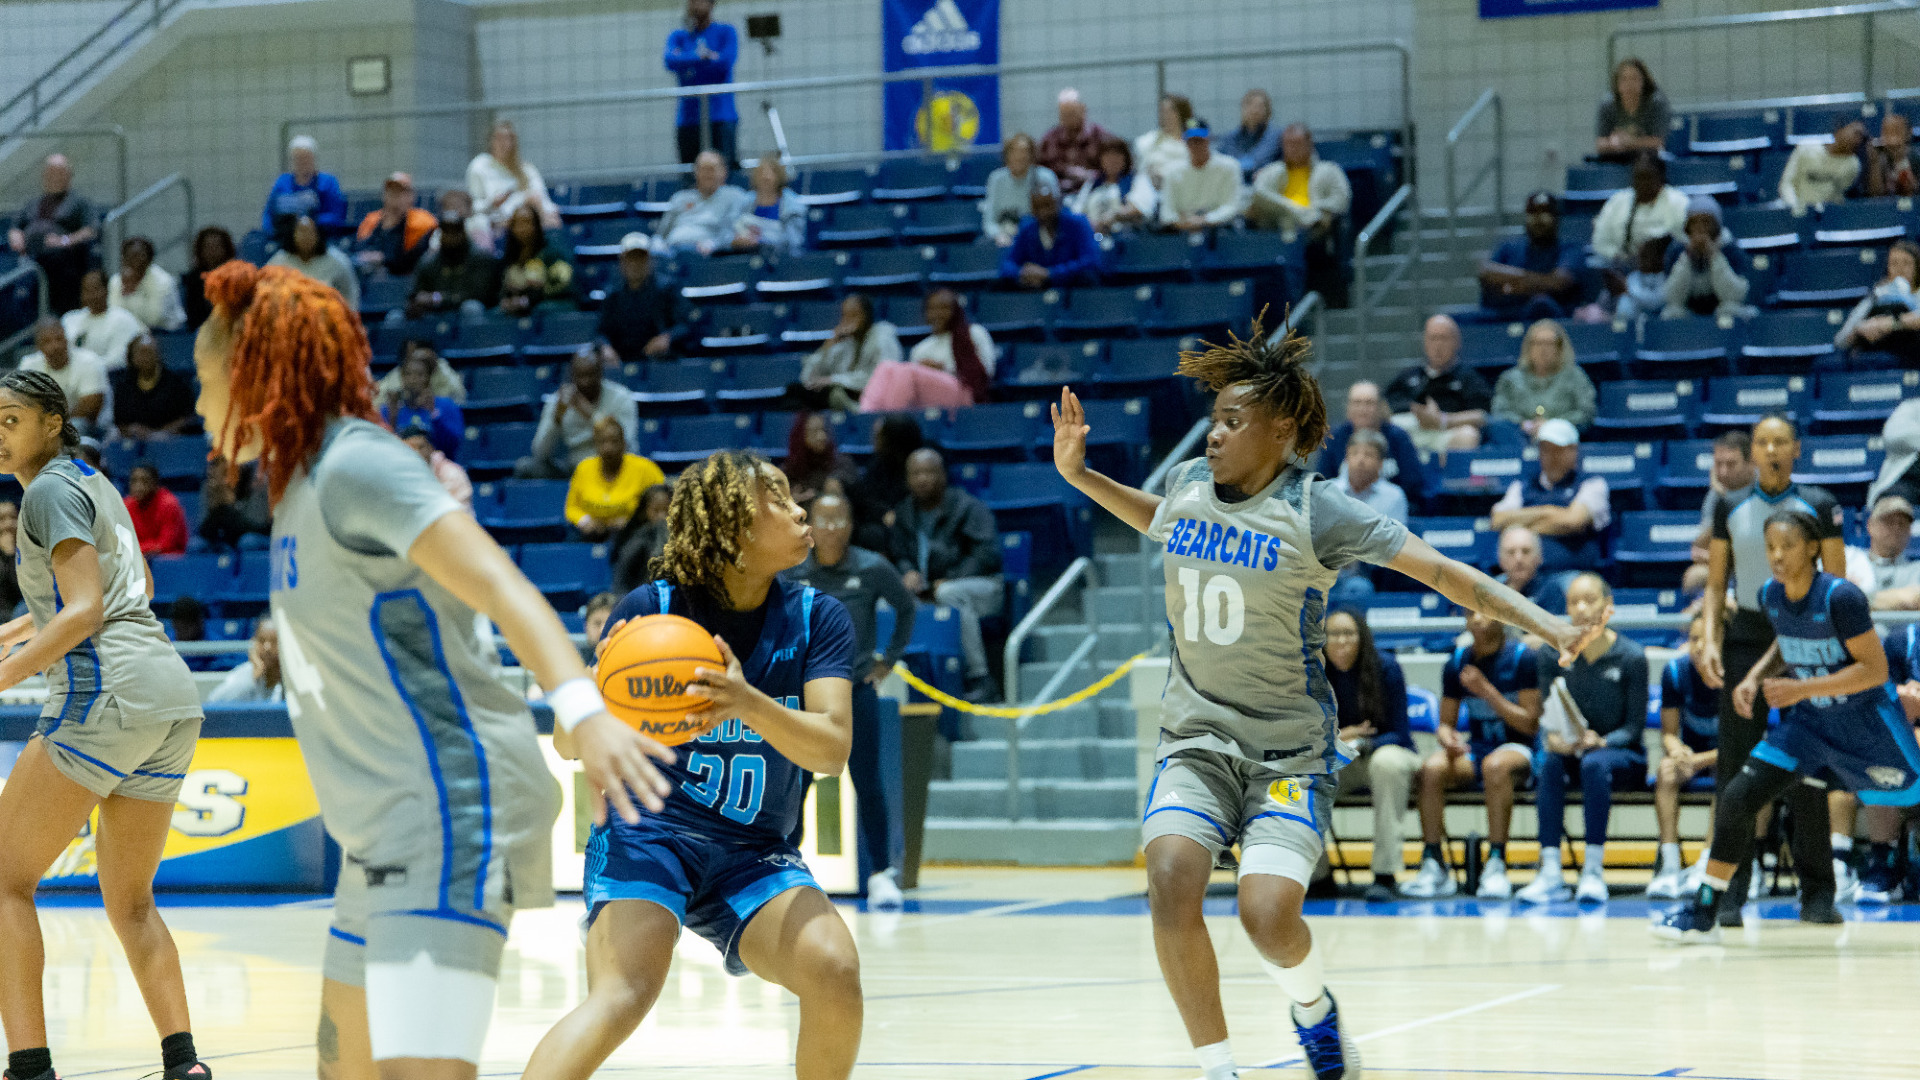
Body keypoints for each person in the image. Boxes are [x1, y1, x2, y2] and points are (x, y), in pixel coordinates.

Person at [1051, 320, 1600, 1080]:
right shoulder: (1183, 487)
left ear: (1282, 432)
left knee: (1268, 916)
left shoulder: (1316, 510)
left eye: (1233, 422)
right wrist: (1080, 476)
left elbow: (1441, 571)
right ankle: (1218, 1070)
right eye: (1213, 420)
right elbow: (1161, 521)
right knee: (1171, 878)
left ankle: (1313, 1009)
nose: (1213, 435)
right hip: (1195, 742)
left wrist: (1543, 623)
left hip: (1288, 752)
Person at [190, 260, 673, 1077]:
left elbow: (500, 582)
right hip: (379, 831)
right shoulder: (298, 486)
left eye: (205, 382)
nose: (197, 404)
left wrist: (584, 711)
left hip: (449, 812)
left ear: (251, 374)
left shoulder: (356, 465)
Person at [527, 450, 860, 1080]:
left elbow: (832, 747)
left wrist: (746, 702)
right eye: (781, 499)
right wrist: (595, 700)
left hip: (754, 850)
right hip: (650, 833)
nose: (800, 511)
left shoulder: (820, 618)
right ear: (735, 525)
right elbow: (572, 745)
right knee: (624, 995)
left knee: (834, 970)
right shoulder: (648, 611)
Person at [0, 369, 211, 1080]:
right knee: (129, 902)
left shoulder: (49, 492)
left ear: (52, 422)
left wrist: (4, 674)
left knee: (4, 882)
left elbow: (86, 612)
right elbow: (133, 588)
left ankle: (29, 1068)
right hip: (169, 696)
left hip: (106, 692)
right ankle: (184, 1063)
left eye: (9, 420)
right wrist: (12, 635)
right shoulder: (90, 479)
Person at [1657, 510, 1920, 942]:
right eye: (1770, 548)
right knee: (1739, 796)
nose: (1777, 556)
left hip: (1869, 724)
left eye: (1788, 546)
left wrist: (1801, 688)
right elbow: (1788, 639)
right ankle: (1704, 912)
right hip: (1812, 725)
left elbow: (1874, 671)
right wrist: (1756, 676)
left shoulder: (1842, 597)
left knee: (1914, 800)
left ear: (1814, 548)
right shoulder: (1770, 595)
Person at [1697, 414, 1844, 927]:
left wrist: (1825, 649)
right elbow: (1716, 585)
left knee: (1809, 771)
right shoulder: (1729, 506)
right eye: (1763, 441)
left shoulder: (1820, 506)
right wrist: (1712, 640)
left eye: (1781, 440)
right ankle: (1729, 894)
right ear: (1753, 452)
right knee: (1735, 773)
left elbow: (1838, 588)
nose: (1772, 448)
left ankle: (1819, 893)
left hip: (1805, 639)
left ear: (1796, 449)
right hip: (1745, 641)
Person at [790, 492, 918, 908]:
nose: (831, 529)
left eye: (839, 520)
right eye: (822, 520)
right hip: (804, 694)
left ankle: (882, 873)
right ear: (811, 525)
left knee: (868, 781)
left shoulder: (872, 567)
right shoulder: (793, 570)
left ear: (850, 524)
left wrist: (888, 661)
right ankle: (785, 867)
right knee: (796, 783)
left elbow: (906, 608)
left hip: (855, 690)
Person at [1519, 573, 1648, 905]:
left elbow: (1633, 729)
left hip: (1619, 755)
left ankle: (1593, 871)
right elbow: (1550, 718)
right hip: (1571, 751)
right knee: (1547, 762)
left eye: (1589, 600)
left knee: (1593, 764)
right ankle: (1550, 872)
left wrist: (1601, 742)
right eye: (1574, 602)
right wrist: (1558, 740)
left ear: (1608, 606)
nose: (1581, 608)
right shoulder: (1552, 655)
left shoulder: (1632, 656)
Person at [1401, 609, 1543, 901]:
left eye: (1483, 611)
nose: (1477, 618)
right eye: (1470, 613)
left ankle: (1496, 863)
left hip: (1522, 750)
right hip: (1477, 749)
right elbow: (1445, 724)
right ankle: (1434, 864)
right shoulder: (1457, 661)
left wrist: (1487, 692)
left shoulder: (1522, 658)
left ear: (1502, 616)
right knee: (1432, 768)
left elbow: (1530, 723)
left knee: (1496, 766)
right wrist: (1447, 738)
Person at [887, 447, 1002, 703]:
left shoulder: (967, 507)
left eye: (929, 472)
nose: (922, 478)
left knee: (949, 594)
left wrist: (954, 577)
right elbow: (899, 554)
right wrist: (907, 572)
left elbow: (987, 554)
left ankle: (981, 678)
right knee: (889, 599)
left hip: (982, 586)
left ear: (942, 475)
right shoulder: (905, 513)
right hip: (929, 588)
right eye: (916, 473)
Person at [1320, 607, 1416, 903]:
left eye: (1349, 633)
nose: (1341, 641)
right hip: (1339, 760)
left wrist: (1363, 740)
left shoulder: (1385, 666)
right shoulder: (1313, 674)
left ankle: (1385, 874)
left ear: (1362, 637)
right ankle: (1318, 876)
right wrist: (1343, 736)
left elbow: (1400, 731)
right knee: (1300, 776)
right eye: (1333, 634)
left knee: (1386, 764)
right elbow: (1307, 736)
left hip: (1388, 756)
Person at [1647, 611, 1721, 899]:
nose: (1699, 646)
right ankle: (1669, 862)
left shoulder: (1735, 674)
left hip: (1723, 757)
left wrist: (1700, 760)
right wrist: (1677, 750)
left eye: (1708, 639)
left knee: (1730, 771)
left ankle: (1706, 860)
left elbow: (1738, 745)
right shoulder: (1675, 673)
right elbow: (1668, 732)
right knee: (1666, 769)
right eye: (1693, 639)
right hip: (1690, 756)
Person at [1490, 419, 1610, 575]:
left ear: (1574, 450)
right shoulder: (1521, 486)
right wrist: (1549, 513)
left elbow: (1573, 521)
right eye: (1545, 449)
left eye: (1558, 450)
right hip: (1524, 577)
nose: (1552, 456)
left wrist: (1521, 524)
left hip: (1573, 575)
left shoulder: (1593, 484)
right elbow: (1498, 520)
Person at [1247, 125, 1350, 301]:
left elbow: (1342, 201)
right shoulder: (1271, 171)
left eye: (1297, 143)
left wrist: (1316, 208)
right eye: (1288, 144)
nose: (1292, 148)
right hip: (1276, 230)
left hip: (1312, 230)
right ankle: (1296, 212)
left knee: (1314, 220)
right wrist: (1295, 210)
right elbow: (1257, 198)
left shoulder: (1328, 170)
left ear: (1309, 143)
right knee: (1256, 195)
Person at [863, 289, 996, 412]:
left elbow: (988, 371)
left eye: (944, 308)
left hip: (965, 394)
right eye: (932, 309)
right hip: (926, 402)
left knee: (907, 371)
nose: (937, 313)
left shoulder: (975, 332)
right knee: (885, 366)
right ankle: (865, 417)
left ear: (956, 310)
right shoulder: (920, 348)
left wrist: (944, 369)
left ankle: (894, 423)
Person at [519, 349, 641, 479]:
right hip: (573, 469)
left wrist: (589, 413)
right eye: (580, 376)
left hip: (610, 467)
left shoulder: (621, 397)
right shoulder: (558, 401)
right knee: (525, 467)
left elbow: (627, 444)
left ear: (600, 373)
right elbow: (539, 453)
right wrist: (556, 419)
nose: (585, 382)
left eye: (590, 375)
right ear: (572, 375)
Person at [1384, 314, 1491, 457]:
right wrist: (1418, 411)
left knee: (1468, 435)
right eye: (1433, 338)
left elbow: (1481, 415)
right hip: (1412, 430)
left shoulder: (1469, 377)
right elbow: (1386, 405)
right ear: (1425, 342)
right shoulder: (1408, 375)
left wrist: (1442, 420)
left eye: (1444, 338)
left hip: (1447, 431)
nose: (1438, 345)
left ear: (1457, 342)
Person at [8, 154, 100, 313]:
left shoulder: (79, 202)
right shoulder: (33, 203)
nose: (53, 178)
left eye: (58, 173)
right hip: (29, 257)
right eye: (49, 173)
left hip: (62, 264)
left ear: (68, 176)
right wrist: (16, 237)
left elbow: (91, 230)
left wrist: (65, 240)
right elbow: (16, 226)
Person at [1317, 381, 1427, 512]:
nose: (1363, 410)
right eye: (1357, 403)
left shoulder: (1398, 437)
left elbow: (1413, 483)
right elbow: (1322, 482)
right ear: (1348, 407)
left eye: (1369, 403)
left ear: (1381, 407)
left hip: (1389, 507)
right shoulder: (1334, 437)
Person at [1477, 191, 1583, 322]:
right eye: (1532, 213)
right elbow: (1485, 272)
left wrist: (1510, 287)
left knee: (1540, 304)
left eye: (1545, 213)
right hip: (1507, 314)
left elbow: (1559, 283)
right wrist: (1539, 284)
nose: (1538, 219)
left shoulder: (1570, 249)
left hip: (1552, 319)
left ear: (1556, 217)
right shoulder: (1508, 246)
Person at [1327, 430, 1406, 603]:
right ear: (1346, 458)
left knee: (1359, 589)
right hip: (1326, 567)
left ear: (1380, 463)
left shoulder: (1394, 496)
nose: (1360, 460)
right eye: (1354, 453)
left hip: (1367, 573)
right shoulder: (1328, 491)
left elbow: (1394, 542)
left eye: (1368, 455)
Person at [663, 0, 740, 165]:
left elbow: (725, 62)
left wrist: (686, 58)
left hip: (721, 117)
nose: (697, 5)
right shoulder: (679, 36)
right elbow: (670, 60)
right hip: (689, 119)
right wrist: (702, 56)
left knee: (724, 172)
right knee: (690, 175)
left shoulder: (726, 32)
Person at [1491, 319, 1597, 438]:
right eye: (1538, 343)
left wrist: (1552, 425)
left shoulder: (1575, 376)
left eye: (1549, 343)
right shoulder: (1510, 378)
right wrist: (1522, 423)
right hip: (1518, 436)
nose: (1543, 349)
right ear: (1528, 347)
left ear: (1560, 348)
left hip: (1562, 439)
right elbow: (1499, 412)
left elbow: (1586, 413)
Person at [565, 418, 667, 541]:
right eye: (602, 442)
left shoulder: (646, 469)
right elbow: (571, 507)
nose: (608, 448)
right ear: (595, 445)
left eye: (614, 442)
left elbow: (663, 505)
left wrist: (633, 521)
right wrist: (586, 521)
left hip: (634, 535)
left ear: (624, 443)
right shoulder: (584, 468)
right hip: (591, 535)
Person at [798, 294, 899, 413]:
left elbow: (882, 379)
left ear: (867, 316)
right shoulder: (844, 343)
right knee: (795, 391)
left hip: (874, 403)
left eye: (854, 315)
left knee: (834, 394)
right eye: (845, 316)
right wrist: (827, 346)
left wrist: (833, 379)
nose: (848, 321)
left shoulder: (883, 339)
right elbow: (807, 379)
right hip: (846, 395)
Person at [997, 178, 1101, 290]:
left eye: (1047, 205)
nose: (1043, 212)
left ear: (1058, 202)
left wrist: (1049, 273)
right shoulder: (1027, 227)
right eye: (1037, 207)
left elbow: (1090, 261)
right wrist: (1023, 272)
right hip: (1036, 289)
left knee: (1087, 278)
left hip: (1072, 289)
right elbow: (1007, 264)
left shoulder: (1078, 224)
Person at [598, 234, 686, 363]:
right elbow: (601, 332)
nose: (635, 264)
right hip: (622, 360)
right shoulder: (613, 294)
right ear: (622, 261)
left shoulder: (667, 288)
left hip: (658, 360)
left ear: (650, 260)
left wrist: (667, 338)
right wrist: (605, 348)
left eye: (640, 258)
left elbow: (684, 325)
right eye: (630, 258)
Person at [466, 120, 561, 238]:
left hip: (529, 217)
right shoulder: (480, 166)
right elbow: (472, 207)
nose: (503, 143)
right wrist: (492, 203)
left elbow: (542, 198)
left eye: (508, 138)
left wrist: (549, 211)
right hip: (496, 219)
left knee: (551, 218)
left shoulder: (527, 169)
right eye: (498, 138)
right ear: (490, 141)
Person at [1591, 152, 1688, 267]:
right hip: (1620, 265)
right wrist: (1617, 257)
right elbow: (1599, 241)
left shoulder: (1679, 202)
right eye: (1637, 177)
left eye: (1647, 177)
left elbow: (1683, 242)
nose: (1641, 183)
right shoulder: (1617, 201)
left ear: (1661, 176)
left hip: (1664, 268)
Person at [1661, 197, 1752, 319]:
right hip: (1689, 310)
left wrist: (1714, 256)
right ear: (1687, 227)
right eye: (1694, 222)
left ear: (1717, 225)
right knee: (1671, 313)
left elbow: (1735, 296)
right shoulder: (1677, 250)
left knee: (1731, 310)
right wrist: (1687, 257)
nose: (1699, 228)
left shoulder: (1730, 249)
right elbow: (1672, 298)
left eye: (1706, 222)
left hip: (1721, 309)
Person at [18, 319, 109, 437]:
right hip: (46, 426)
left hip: (93, 429)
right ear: (38, 347)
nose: (55, 346)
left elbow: (90, 408)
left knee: (75, 426)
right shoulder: (28, 364)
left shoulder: (90, 361)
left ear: (67, 340)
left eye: (59, 339)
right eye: (47, 342)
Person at [1834, 239, 1920, 364]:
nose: (1900, 269)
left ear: (1917, 267)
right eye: (1894, 263)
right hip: (1877, 355)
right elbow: (1841, 339)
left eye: (1906, 263)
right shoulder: (1877, 295)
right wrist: (1861, 329)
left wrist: (1891, 323)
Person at [408, 211, 504, 320]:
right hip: (436, 313)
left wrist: (438, 298)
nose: (451, 237)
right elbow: (415, 293)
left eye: (455, 232)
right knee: (397, 316)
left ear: (463, 233)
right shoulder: (429, 261)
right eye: (446, 232)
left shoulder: (480, 258)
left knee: (471, 307)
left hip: (475, 314)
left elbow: (481, 294)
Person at [655, 150, 751, 255]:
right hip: (671, 252)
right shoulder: (679, 197)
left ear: (723, 172)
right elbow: (661, 234)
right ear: (695, 172)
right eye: (703, 169)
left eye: (711, 169)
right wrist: (657, 245)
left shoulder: (734, 196)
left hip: (706, 254)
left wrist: (714, 244)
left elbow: (732, 231)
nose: (707, 174)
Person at [1158, 119, 1247, 232]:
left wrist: (1205, 220)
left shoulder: (1229, 167)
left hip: (1221, 230)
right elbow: (1167, 212)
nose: (1195, 145)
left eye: (1200, 140)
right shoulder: (1173, 171)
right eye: (1191, 141)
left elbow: (1233, 206)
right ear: (1185, 142)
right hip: (1182, 231)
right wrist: (1183, 222)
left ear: (1208, 140)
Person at [851, 415, 923, 553]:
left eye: (879, 436)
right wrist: (883, 513)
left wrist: (901, 514)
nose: (874, 440)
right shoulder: (877, 465)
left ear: (893, 438)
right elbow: (866, 499)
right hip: (885, 523)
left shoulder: (921, 460)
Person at [379, 349, 465, 460]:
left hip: (438, 468)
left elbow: (452, 444)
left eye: (420, 374)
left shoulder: (446, 405)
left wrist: (433, 413)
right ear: (402, 377)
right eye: (408, 374)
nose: (413, 379)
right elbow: (382, 450)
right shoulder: (389, 409)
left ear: (429, 378)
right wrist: (392, 418)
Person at [265, 215, 360, 312]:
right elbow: (265, 289)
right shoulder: (279, 260)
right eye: (301, 232)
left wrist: (348, 316)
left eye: (310, 232)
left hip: (326, 317)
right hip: (289, 317)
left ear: (318, 234)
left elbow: (351, 291)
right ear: (293, 235)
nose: (306, 237)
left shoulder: (338, 260)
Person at [262, 135, 347, 241]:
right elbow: (269, 214)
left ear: (314, 159)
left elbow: (337, 216)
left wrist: (305, 224)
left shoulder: (328, 183)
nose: (302, 163)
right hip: (285, 241)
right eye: (297, 159)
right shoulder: (281, 183)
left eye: (306, 158)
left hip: (321, 241)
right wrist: (272, 233)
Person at [352, 171, 436, 276]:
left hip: (404, 279)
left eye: (401, 192)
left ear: (411, 196)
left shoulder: (423, 222)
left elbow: (414, 260)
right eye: (391, 191)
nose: (395, 196)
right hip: (368, 276)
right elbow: (358, 249)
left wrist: (383, 258)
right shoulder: (371, 220)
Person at [981, 134, 1060, 246]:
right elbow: (989, 221)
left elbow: (1056, 216)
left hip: (1036, 234)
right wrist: (998, 234)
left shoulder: (1046, 177)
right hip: (1005, 233)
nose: (1019, 156)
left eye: (1024, 151)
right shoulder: (996, 179)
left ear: (1032, 156)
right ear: (1007, 155)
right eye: (1014, 151)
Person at [498, 204, 576, 316]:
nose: (522, 228)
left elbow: (565, 285)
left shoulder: (552, 253)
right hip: (520, 305)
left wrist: (539, 291)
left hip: (553, 302)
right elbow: (502, 290)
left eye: (526, 222)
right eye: (517, 224)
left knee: (540, 310)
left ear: (537, 225)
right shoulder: (509, 257)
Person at [61, 268, 146, 370]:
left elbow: (117, 361)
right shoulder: (70, 319)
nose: (91, 296)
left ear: (106, 289)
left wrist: (85, 369)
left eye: (95, 289)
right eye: (86, 290)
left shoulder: (122, 320)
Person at [1070, 137, 1155, 236]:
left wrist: (1115, 215)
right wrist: (1091, 224)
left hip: (1126, 238)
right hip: (1092, 236)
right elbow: (1077, 211)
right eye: (1107, 155)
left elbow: (1141, 208)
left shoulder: (1138, 179)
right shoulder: (1092, 184)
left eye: (1117, 155)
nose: (1112, 160)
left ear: (1125, 159)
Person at [1778, 120, 1866, 212]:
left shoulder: (1853, 164)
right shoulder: (1807, 147)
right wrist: (1793, 205)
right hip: (1797, 210)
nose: (1856, 138)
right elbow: (1787, 182)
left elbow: (1839, 193)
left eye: (1861, 136)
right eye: (1855, 132)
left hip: (1829, 215)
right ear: (1839, 131)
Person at [1595, 58, 1672, 162]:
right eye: (1624, 79)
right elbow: (1600, 143)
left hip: (1648, 156)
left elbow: (1658, 142)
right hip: (1617, 153)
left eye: (1634, 79)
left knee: (1646, 163)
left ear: (1644, 82)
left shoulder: (1656, 102)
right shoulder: (1607, 105)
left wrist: (1630, 142)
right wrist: (1614, 143)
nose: (1629, 84)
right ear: (1617, 84)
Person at [1037, 88, 1110, 195]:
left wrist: (1088, 175)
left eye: (1072, 113)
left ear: (1083, 109)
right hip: (1058, 196)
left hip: (1094, 193)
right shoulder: (1050, 139)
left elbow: (1112, 169)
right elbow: (1040, 172)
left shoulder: (1100, 136)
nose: (1068, 118)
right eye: (1064, 115)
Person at [732, 155, 805, 255]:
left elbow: (794, 241)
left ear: (779, 176)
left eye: (771, 172)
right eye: (761, 172)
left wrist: (761, 241)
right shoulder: (745, 201)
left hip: (783, 259)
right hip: (747, 257)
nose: (765, 176)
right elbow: (730, 231)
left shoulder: (792, 204)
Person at [109, 236, 185, 332]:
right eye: (130, 256)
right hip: (130, 332)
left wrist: (132, 294)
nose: (135, 261)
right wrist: (128, 289)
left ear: (150, 258)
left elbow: (155, 318)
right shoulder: (115, 281)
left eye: (139, 255)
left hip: (168, 333)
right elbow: (114, 315)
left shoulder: (163, 280)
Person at [783, 412, 859, 505]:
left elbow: (858, 496)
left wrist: (837, 483)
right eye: (814, 431)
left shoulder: (842, 462)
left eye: (824, 430)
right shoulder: (790, 470)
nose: (822, 436)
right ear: (801, 436)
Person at [1858, 495, 1920, 609]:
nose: (1896, 528)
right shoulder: (1854, 562)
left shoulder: (1916, 570)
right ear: (1870, 525)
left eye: (1902, 523)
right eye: (1889, 522)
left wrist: (1859, 599)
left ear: (1910, 530)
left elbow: (1915, 599)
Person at [609, 484, 673, 594]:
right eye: (656, 511)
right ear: (644, 512)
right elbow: (621, 582)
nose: (662, 517)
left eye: (667, 511)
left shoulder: (684, 540)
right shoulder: (637, 540)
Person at [197, 457, 270, 551]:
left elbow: (258, 526)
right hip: (223, 536)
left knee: (247, 541)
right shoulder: (211, 485)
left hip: (256, 535)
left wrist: (226, 510)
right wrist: (218, 510)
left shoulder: (258, 482)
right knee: (196, 545)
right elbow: (204, 530)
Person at [400, 421, 473, 513]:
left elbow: (461, 515)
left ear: (431, 448)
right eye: (411, 448)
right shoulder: (398, 476)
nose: (417, 453)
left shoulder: (452, 473)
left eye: (421, 447)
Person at [206, 619, 284, 704]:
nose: (267, 647)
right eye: (262, 641)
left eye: (274, 641)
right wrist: (253, 678)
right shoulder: (245, 673)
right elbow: (213, 702)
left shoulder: (293, 675)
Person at [376, 339, 468, 408]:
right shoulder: (400, 371)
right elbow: (377, 398)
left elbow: (459, 397)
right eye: (410, 357)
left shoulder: (441, 368)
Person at [1495, 524, 1564, 615]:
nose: (1518, 559)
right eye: (1511, 552)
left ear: (1539, 557)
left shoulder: (1551, 591)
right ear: (1500, 559)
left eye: (1526, 551)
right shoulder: (1494, 589)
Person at [122, 463, 187, 556]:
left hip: (168, 563)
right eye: (134, 481)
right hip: (137, 559)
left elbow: (165, 545)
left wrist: (134, 549)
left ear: (155, 483)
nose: (138, 486)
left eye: (144, 481)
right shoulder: (126, 506)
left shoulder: (169, 505)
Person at [1135, 93, 1195, 192]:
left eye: (1171, 110)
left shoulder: (1193, 142)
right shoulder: (1148, 142)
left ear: (1182, 112)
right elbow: (1144, 173)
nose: (1166, 115)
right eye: (1163, 111)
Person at [180, 226, 236, 331]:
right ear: (200, 250)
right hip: (202, 330)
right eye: (208, 247)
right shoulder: (193, 279)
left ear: (226, 248)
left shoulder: (237, 277)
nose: (212, 251)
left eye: (217, 246)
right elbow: (193, 315)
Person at [1215, 89, 1281, 176]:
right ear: (1243, 109)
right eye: (1250, 105)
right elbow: (1218, 162)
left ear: (1268, 111)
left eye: (1260, 106)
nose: (1255, 110)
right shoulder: (1229, 139)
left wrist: (1268, 171)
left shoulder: (1277, 138)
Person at [1614, 235, 1671, 323]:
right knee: (1624, 301)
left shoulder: (1664, 277)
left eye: (1646, 256)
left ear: (1658, 257)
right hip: (1637, 322)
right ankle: (1621, 332)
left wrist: (1628, 290)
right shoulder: (1633, 277)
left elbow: (1656, 301)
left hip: (1660, 321)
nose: (1642, 261)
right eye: (1641, 257)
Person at [1864, 110, 1919, 197]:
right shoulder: (1879, 158)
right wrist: (1875, 163)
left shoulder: (1916, 158)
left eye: (1897, 131)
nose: (1891, 138)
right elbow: (1876, 194)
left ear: (1908, 134)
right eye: (1886, 132)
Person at [0, 502, 23, 619]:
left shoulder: (31, 550)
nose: (9, 524)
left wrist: (11, 554)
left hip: (20, 613)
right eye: (2, 519)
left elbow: (22, 591)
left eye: (13, 517)